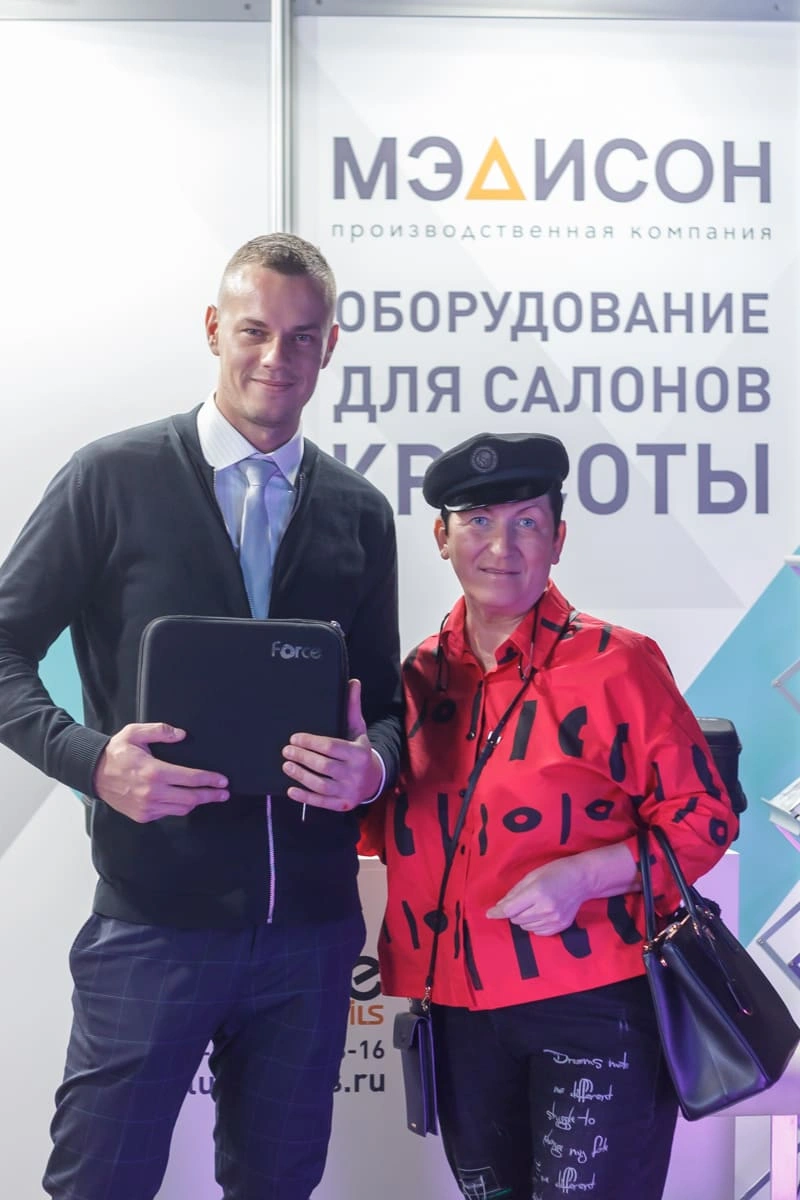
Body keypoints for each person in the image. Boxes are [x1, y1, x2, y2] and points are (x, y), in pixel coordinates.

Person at [0, 233, 402, 1200]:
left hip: (310, 936)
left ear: (330, 346)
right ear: (215, 329)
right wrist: (92, 762)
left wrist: (375, 766)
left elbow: (386, 707)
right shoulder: (112, 478)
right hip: (153, 926)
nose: (276, 358)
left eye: (301, 338)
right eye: (255, 331)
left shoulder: (358, 511)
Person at [359, 431, 736, 1200]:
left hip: (595, 1002)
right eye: (477, 521)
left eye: (526, 522)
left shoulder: (618, 662)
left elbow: (705, 817)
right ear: (441, 537)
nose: (501, 547)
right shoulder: (416, 677)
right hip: (456, 1012)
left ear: (558, 539)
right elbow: (379, 828)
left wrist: (583, 875)